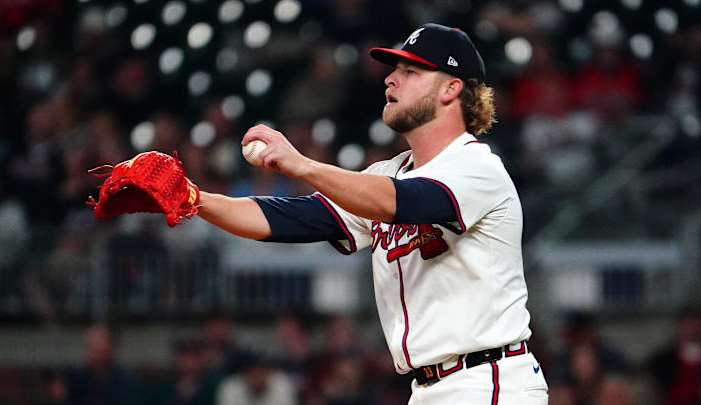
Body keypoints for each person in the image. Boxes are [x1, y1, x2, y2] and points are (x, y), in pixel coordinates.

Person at [194, 23, 547, 404]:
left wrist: (302, 165)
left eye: (410, 72)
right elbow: (286, 220)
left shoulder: (477, 167)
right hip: (431, 387)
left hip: (488, 380)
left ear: (451, 88)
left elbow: (401, 202)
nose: (390, 80)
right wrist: (191, 198)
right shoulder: (386, 175)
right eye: (394, 70)